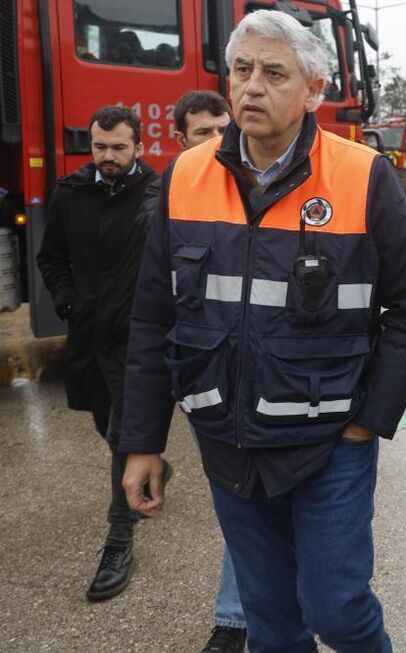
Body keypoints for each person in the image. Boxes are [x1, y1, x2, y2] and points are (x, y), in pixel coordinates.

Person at [117, 10, 406, 653]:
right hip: (226, 441)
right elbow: (156, 317)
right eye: (241, 71)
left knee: (338, 610)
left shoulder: (362, 175)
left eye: (273, 73)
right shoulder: (185, 177)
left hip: (330, 444)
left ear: (313, 89)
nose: (251, 87)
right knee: (268, 622)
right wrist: (142, 443)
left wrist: (368, 420)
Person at [36, 105, 165, 602]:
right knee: (102, 421)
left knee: (121, 433)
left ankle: (119, 539)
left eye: (118, 147)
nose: (107, 157)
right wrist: (68, 301)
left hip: (136, 337)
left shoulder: (154, 194)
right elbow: (51, 257)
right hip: (90, 332)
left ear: (138, 147)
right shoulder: (71, 193)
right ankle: (154, 468)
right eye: (99, 147)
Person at [160, 89, 245, 653]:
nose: (217, 143)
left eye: (223, 129)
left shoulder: (260, 191)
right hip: (201, 379)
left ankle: (235, 618)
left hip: (266, 382)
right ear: (180, 140)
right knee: (236, 507)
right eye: (202, 134)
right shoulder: (172, 196)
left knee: (249, 510)